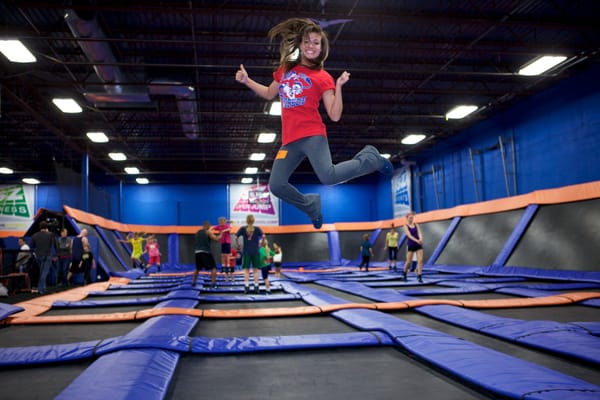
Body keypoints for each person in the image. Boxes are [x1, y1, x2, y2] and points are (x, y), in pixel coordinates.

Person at [235, 18, 393, 229]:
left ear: (322, 47)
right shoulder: (285, 70)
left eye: (316, 42)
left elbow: (334, 115)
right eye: (307, 41)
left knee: (329, 176)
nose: (311, 46)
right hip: (290, 140)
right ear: (300, 44)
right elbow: (268, 93)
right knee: (276, 185)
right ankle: (311, 206)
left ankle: (371, 159)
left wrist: (338, 87)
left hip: (312, 136)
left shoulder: (322, 77)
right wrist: (247, 81)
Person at [235, 214, 264, 294]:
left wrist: (238, 245)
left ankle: (246, 287)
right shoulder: (257, 229)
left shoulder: (243, 228)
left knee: (246, 271)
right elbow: (264, 237)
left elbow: (236, 237)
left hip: (247, 252)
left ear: (246, 221)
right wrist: (260, 244)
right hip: (255, 251)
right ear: (253, 220)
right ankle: (256, 287)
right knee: (255, 271)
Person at [29, 221, 58, 295]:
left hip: (38, 256)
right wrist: (57, 254)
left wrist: (34, 253)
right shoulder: (50, 234)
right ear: (47, 227)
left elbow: (31, 246)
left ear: (40, 227)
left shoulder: (35, 235)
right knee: (44, 273)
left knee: (41, 272)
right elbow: (55, 244)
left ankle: (42, 288)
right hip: (47, 255)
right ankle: (41, 289)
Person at [192, 221, 221, 288]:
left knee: (197, 268)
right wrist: (221, 234)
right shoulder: (208, 232)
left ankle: (193, 282)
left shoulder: (197, 232)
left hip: (197, 252)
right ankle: (213, 284)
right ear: (208, 226)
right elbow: (216, 239)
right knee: (214, 268)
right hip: (205, 252)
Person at [402, 211, 424, 282]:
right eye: (410, 218)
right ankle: (404, 273)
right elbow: (409, 235)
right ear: (407, 218)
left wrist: (420, 238)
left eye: (412, 218)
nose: (411, 219)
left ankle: (419, 276)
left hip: (418, 244)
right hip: (411, 244)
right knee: (408, 262)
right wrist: (417, 240)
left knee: (420, 260)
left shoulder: (416, 225)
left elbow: (419, 233)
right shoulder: (405, 226)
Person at [214, 217, 233, 281]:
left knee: (227, 255)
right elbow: (213, 227)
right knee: (222, 255)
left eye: (221, 222)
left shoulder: (226, 225)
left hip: (227, 242)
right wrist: (210, 229)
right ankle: (223, 267)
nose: (220, 223)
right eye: (219, 222)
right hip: (222, 242)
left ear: (224, 222)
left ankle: (228, 267)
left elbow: (230, 228)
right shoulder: (219, 226)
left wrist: (224, 230)